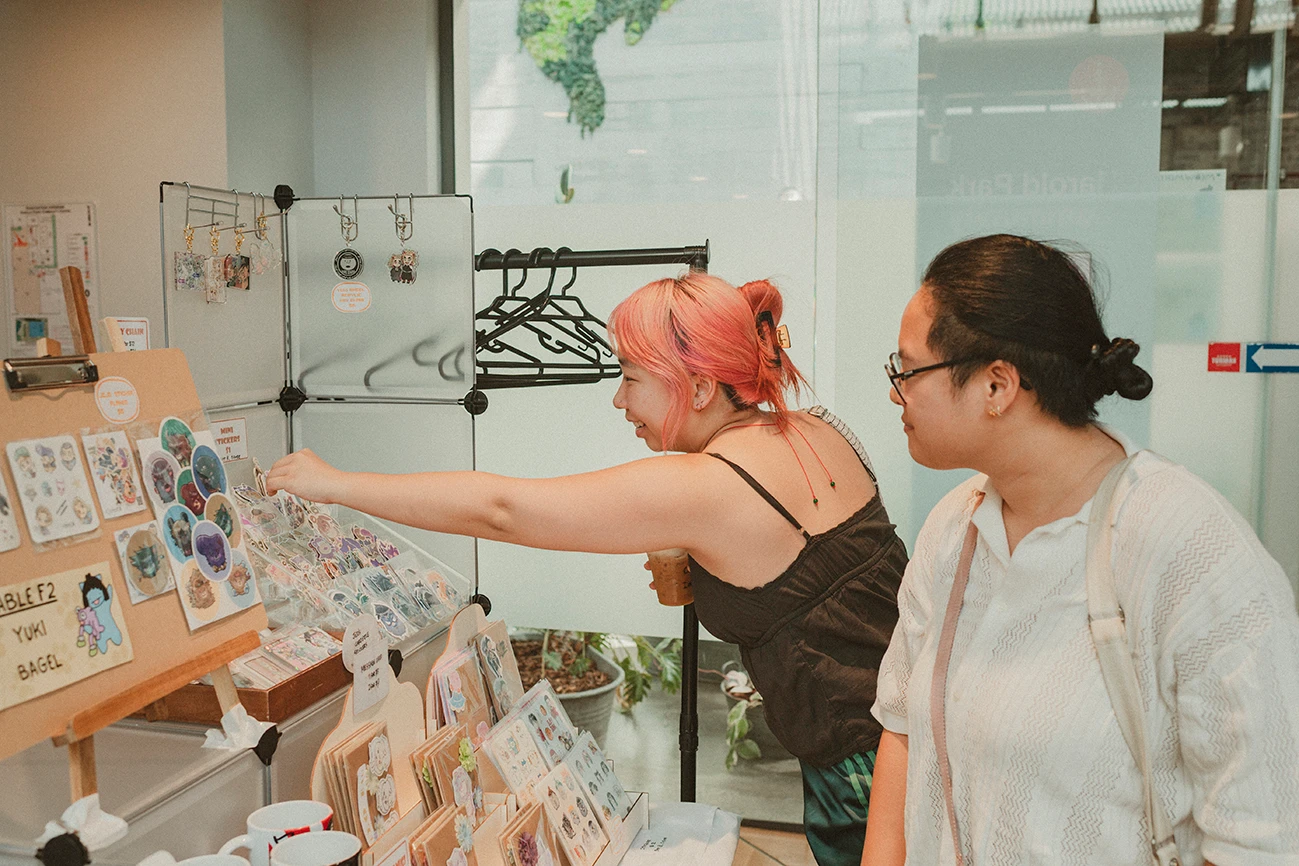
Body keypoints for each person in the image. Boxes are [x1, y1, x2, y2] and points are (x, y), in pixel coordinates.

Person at [268, 272, 908, 865]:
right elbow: (824, 581)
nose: (619, 399)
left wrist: (337, 483)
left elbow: (503, 511)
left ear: (700, 387)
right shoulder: (816, 429)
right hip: (905, 730)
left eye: (631, 377)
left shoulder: (710, 484)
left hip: (868, 767)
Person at [861, 234, 1299, 865]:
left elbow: (1262, 838)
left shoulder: (1191, 551)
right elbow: (902, 727)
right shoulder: (954, 528)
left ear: (996, 385)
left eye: (907, 370)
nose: (895, 392)